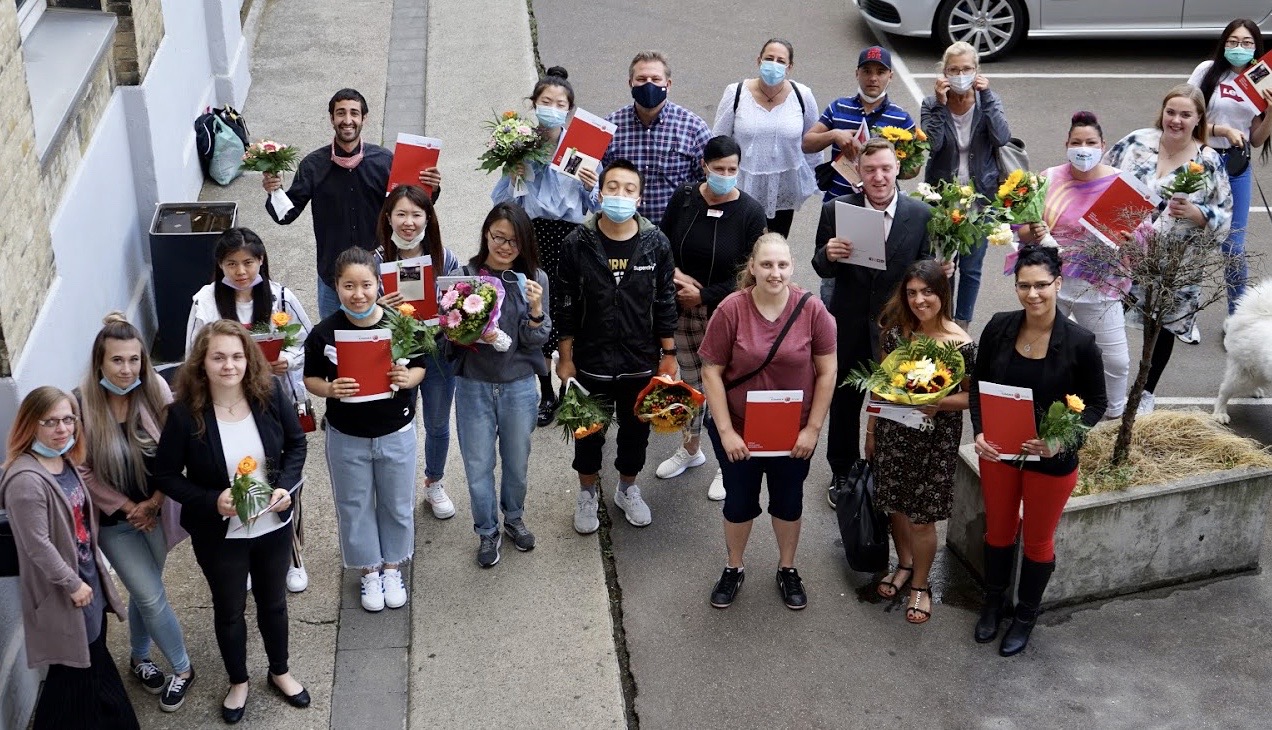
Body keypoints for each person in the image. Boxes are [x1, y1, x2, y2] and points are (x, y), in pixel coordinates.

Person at [153, 321, 309, 722]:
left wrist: (285, 489)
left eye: (237, 356)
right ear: (202, 363)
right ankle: (238, 681)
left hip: (271, 525)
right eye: (218, 357)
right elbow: (166, 475)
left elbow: (296, 444)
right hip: (221, 533)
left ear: (248, 359)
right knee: (229, 608)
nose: (229, 365)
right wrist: (210, 499)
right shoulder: (185, 415)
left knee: (273, 602)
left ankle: (280, 671)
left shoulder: (269, 395)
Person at [969, 244, 1107, 657]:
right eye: (1024, 286)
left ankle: (1025, 615)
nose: (1033, 295)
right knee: (998, 531)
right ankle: (993, 603)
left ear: (1058, 284)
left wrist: (1060, 440)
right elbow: (977, 386)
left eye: (1042, 286)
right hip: (1000, 453)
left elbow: (1098, 404)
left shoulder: (1081, 342)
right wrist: (978, 432)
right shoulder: (998, 327)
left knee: (1037, 541)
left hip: (1052, 459)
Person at [698, 234, 836, 610]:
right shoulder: (731, 309)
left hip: (793, 433)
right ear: (753, 268)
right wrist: (726, 432)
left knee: (788, 502)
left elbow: (828, 372)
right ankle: (734, 567)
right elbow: (711, 370)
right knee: (739, 503)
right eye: (767, 265)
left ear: (792, 267)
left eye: (782, 265)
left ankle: (787, 568)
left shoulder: (812, 310)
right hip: (739, 429)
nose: (775, 273)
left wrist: (812, 430)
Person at [811, 138, 945, 504]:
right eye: (870, 170)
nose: (879, 177)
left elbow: (924, 272)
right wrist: (829, 253)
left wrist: (938, 272)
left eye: (886, 169)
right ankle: (842, 472)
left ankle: (886, 470)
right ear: (860, 172)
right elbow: (819, 266)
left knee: (894, 403)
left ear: (897, 169)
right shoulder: (836, 210)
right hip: (850, 325)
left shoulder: (920, 215)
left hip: (898, 328)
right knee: (843, 405)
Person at [0, 387, 139, 730]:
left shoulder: (63, 461)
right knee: (72, 675)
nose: (62, 429)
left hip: (87, 583)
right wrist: (72, 582)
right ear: (30, 425)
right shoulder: (26, 480)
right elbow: (37, 545)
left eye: (68, 419)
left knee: (92, 662)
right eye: (51, 422)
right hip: (65, 594)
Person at [186, 227, 314, 592]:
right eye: (231, 263)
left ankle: (292, 555)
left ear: (261, 260)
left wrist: (288, 359)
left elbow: (308, 340)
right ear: (219, 265)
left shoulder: (281, 298)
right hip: (224, 406)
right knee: (236, 472)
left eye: (248, 262)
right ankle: (242, 552)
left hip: (275, 404)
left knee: (282, 477)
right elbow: (192, 354)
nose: (240, 271)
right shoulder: (206, 302)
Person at [79, 313, 195, 711]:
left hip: (159, 511)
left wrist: (156, 501)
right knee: (149, 594)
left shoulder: (155, 390)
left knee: (149, 593)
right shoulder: (81, 405)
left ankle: (139, 658)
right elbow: (82, 471)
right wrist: (130, 507)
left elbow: (177, 448)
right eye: (117, 360)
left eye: (134, 360)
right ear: (100, 362)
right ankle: (182, 669)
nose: (127, 369)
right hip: (117, 522)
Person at [303, 248, 428, 612]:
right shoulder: (323, 334)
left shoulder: (400, 323)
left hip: (396, 431)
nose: (358, 294)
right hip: (347, 436)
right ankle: (369, 570)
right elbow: (310, 377)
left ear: (378, 284)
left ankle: (393, 567)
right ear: (336, 286)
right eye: (348, 286)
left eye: (366, 285)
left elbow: (421, 365)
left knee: (397, 504)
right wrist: (328, 389)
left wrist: (408, 378)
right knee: (354, 505)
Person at [557, 159, 678, 532]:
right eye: (612, 187)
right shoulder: (577, 243)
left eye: (628, 189)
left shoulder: (656, 243)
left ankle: (628, 488)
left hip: (639, 361)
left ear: (639, 197)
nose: (620, 195)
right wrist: (565, 358)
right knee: (588, 432)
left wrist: (669, 355)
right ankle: (588, 493)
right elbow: (565, 302)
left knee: (635, 431)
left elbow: (665, 302)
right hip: (590, 360)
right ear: (600, 192)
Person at [1105, 84, 1232, 413]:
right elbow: (1103, 177)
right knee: (1104, 319)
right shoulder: (1137, 142)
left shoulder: (1209, 160)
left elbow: (1225, 213)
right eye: (1171, 112)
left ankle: (1146, 391)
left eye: (1185, 114)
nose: (1176, 120)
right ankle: (1104, 387)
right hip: (1125, 254)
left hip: (1176, 261)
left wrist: (1198, 213)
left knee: (1161, 326)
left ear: (1199, 119)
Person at [262, 88, 443, 318]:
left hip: (380, 277)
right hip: (333, 280)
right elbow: (285, 215)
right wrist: (274, 192)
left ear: (364, 118)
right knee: (334, 344)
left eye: (354, 113)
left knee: (387, 341)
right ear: (331, 119)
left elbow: (413, 206)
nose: (347, 120)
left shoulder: (384, 161)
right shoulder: (313, 166)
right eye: (340, 113)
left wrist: (432, 187)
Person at [655, 135, 767, 501]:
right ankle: (690, 449)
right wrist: (675, 277)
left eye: (732, 170)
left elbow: (751, 274)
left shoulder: (751, 212)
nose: (725, 175)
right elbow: (662, 244)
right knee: (690, 385)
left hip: (727, 314)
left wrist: (703, 294)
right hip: (682, 312)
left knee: (727, 388)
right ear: (704, 166)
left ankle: (727, 460)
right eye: (719, 169)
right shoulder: (685, 197)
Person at [866, 261, 975, 625]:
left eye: (927, 292)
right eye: (911, 293)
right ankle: (905, 564)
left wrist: (939, 402)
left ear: (942, 293)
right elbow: (881, 387)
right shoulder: (895, 334)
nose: (919, 300)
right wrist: (870, 433)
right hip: (894, 433)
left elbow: (972, 397)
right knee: (895, 505)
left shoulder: (960, 343)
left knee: (922, 518)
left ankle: (921, 586)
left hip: (935, 440)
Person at [492, 66, 597, 426]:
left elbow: (595, 207)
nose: (552, 107)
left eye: (560, 102)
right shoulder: (518, 144)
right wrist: (514, 173)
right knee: (533, 310)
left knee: (569, 311)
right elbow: (500, 203)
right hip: (531, 235)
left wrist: (590, 184)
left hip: (569, 237)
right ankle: (545, 391)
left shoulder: (583, 145)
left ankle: (570, 389)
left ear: (569, 109)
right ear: (534, 104)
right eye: (545, 101)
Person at [1013, 112, 1132, 419]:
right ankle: (1041, 415)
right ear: (1066, 144)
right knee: (1043, 355)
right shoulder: (1047, 179)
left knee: (1116, 362)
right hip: (1051, 288)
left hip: (1101, 289)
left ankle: (1114, 416)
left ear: (1103, 145)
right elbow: (1022, 231)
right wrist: (1035, 232)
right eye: (1076, 142)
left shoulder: (1121, 185)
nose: (1083, 148)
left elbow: (1138, 240)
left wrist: (1131, 239)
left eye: (1090, 142)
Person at [452, 203, 551, 567]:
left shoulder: (534, 280)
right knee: (477, 465)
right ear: (486, 235)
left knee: (517, 462)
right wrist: (467, 331)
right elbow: (447, 337)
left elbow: (538, 339)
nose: (505, 247)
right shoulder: (465, 277)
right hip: (473, 385)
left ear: (524, 243)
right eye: (498, 237)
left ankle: (514, 518)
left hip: (519, 386)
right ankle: (486, 531)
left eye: (513, 241)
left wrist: (537, 311)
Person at [376, 184, 460, 521]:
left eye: (416, 214)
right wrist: (377, 307)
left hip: (438, 352)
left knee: (438, 423)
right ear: (389, 218)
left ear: (428, 217)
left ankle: (434, 482)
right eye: (401, 214)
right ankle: (399, 488)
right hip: (397, 354)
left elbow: (459, 308)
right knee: (400, 424)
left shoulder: (445, 257)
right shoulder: (376, 261)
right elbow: (359, 312)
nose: (408, 222)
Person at [921, 41, 1013, 328]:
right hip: (942, 200)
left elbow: (1001, 137)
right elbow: (932, 144)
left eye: (966, 69)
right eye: (954, 70)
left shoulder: (988, 100)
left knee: (971, 268)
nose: (960, 75)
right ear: (944, 73)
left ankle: (962, 325)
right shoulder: (930, 104)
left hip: (980, 200)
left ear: (977, 71)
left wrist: (986, 100)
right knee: (942, 267)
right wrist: (938, 105)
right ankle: (940, 320)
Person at [1188, 19, 1272, 326]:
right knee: (1193, 243)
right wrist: (1220, 129)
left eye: (1247, 43)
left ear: (1256, 48)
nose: (1239, 48)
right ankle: (1185, 316)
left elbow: (1258, 138)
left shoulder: (1260, 81)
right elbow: (1186, 119)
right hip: (1202, 164)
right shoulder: (1207, 71)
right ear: (1224, 43)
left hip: (1237, 167)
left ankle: (1236, 321)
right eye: (1233, 41)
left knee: (1234, 247)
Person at [711, 38, 820, 237]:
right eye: (769, 58)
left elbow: (812, 141)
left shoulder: (802, 95)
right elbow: (718, 142)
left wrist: (810, 179)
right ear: (759, 60)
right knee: (739, 247)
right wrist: (718, 180)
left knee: (773, 248)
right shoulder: (736, 93)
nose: (774, 64)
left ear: (790, 67)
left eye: (780, 61)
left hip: (783, 190)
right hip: (742, 188)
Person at [601, 51, 712, 226]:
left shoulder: (694, 128)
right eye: (642, 79)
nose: (649, 85)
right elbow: (594, 180)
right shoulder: (608, 127)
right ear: (630, 83)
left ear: (668, 84)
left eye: (655, 79)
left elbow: (708, 181)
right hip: (622, 229)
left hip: (676, 230)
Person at [802, 45, 915, 201]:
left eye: (880, 72)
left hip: (881, 205)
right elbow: (807, 144)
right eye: (867, 71)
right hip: (837, 201)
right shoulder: (838, 107)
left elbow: (913, 168)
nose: (873, 78)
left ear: (890, 76)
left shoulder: (902, 118)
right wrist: (834, 135)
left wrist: (884, 163)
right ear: (857, 73)